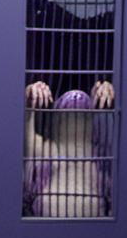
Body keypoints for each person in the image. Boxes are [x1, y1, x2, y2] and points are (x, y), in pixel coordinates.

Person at [24, 79, 115, 217]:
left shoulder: (101, 153)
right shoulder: (44, 150)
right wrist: (29, 98)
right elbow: (24, 132)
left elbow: (118, 131)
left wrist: (109, 97)